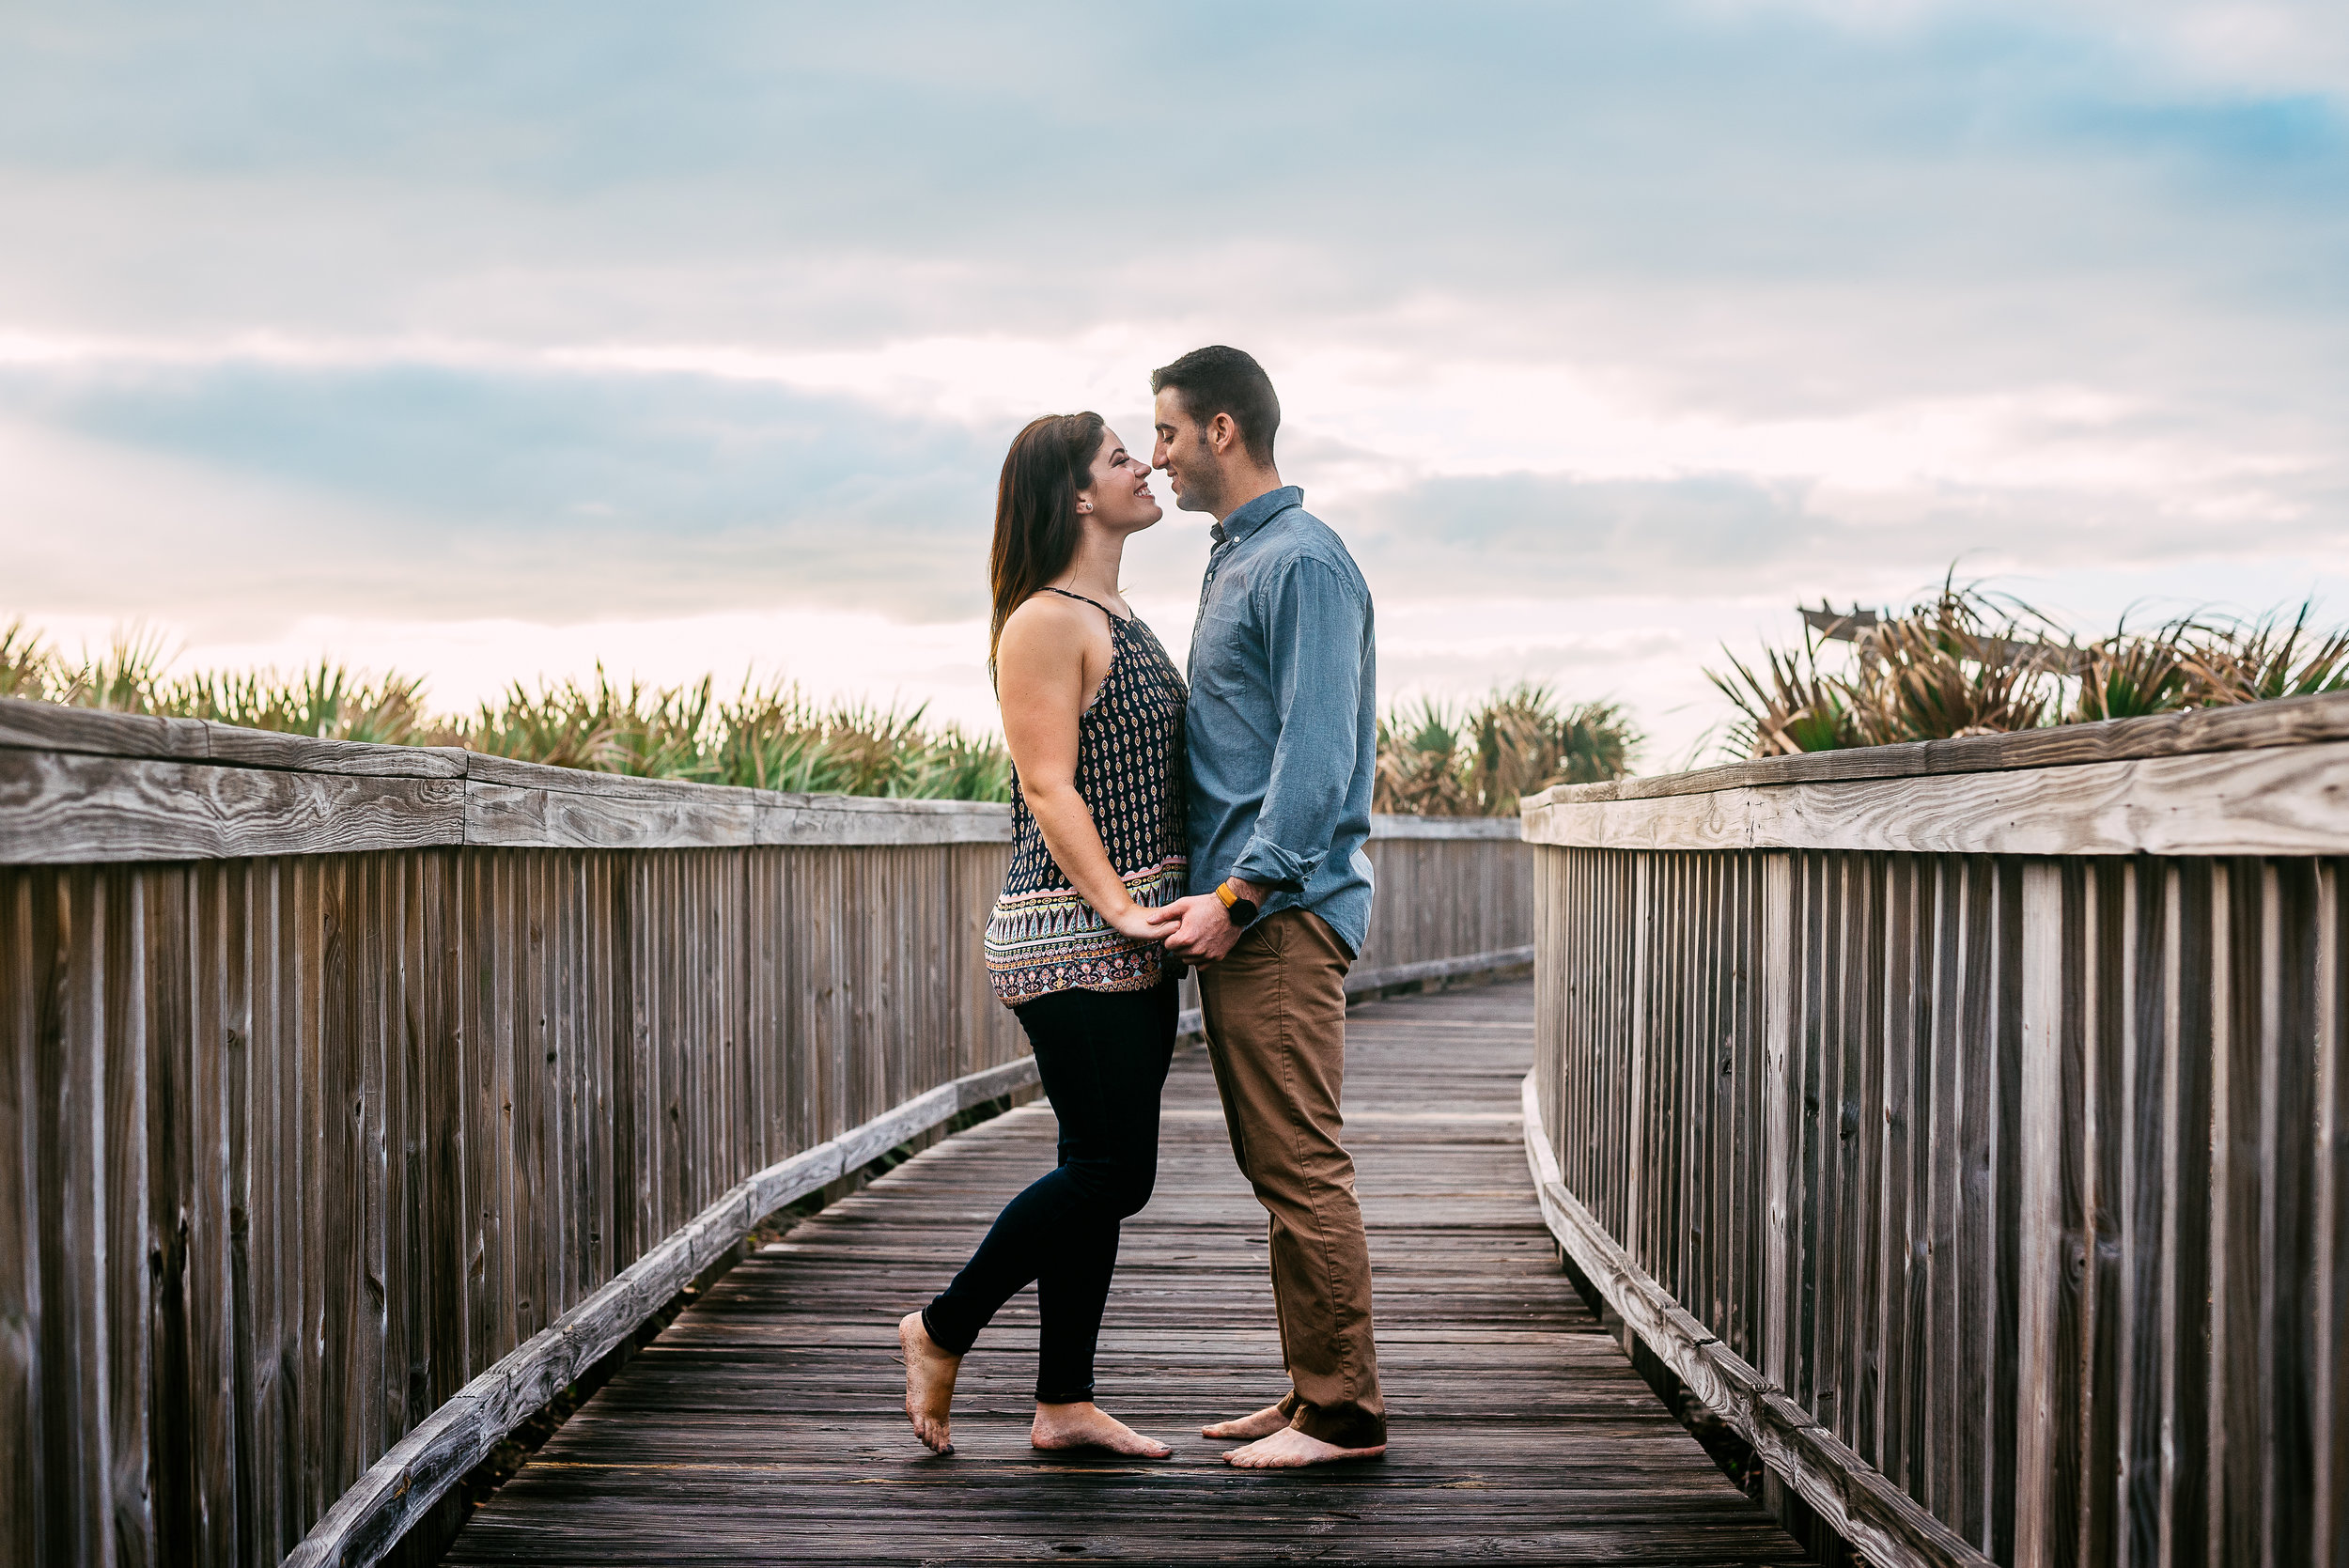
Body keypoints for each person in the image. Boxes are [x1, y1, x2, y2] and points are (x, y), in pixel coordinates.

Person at [898, 412, 1189, 1460]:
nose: (1147, 465)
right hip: (1065, 935)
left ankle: (1063, 1399)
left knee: (1094, 1163)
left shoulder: (1117, 611)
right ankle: (941, 1326)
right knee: (1115, 1173)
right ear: (1075, 496)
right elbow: (1045, 783)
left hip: (1132, 935)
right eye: (1121, 458)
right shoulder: (1043, 621)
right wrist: (1117, 906)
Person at [1150, 346, 1389, 1468]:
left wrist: (1241, 894)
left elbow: (1317, 749)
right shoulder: (1241, 557)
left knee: (1298, 1161)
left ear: (1224, 430)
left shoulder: (1302, 562)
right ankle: (1310, 1388)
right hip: (1258, 911)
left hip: (1279, 914)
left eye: (1167, 433)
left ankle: (1342, 1415)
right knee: (1275, 1161)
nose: (1157, 456)